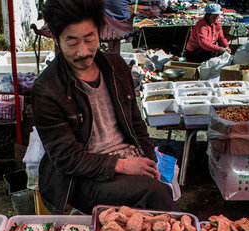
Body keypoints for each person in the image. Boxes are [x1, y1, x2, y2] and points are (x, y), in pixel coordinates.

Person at [32, 0, 177, 215]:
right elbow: (67, 158)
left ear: (99, 32)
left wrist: (151, 161)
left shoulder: (116, 66)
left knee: (162, 185)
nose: (83, 52)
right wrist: (121, 165)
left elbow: (136, 123)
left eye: (89, 39)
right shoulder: (47, 89)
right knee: (154, 193)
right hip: (83, 177)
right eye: (72, 43)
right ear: (56, 38)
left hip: (128, 157)